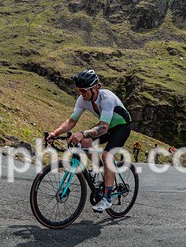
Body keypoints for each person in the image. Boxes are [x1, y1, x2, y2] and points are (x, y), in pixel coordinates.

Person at [47, 69, 132, 213]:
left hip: (122, 126)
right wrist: (55, 133)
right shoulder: (83, 100)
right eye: (79, 91)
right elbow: (72, 121)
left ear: (94, 88)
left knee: (107, 156)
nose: (81, 94)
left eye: (84, 91)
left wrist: (82, 133)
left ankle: (107, 198)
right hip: (107, 125)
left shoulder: (107, 98)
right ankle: (99, 168)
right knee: (85, 142)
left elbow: (104, 128)